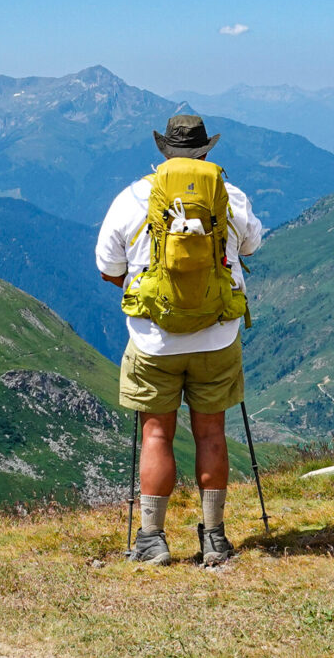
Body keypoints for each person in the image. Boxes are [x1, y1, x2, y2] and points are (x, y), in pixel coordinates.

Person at [96, 114, 262, 567]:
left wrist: (155, 300)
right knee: (211, 431)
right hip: (216, 336)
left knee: (156, 433)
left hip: (155, 341)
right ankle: (215, 538)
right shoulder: (229, 195)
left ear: (164, 152)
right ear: (206, 151)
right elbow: (250, 247)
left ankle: (151, 539)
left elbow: (109, 268)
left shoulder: (132, 198)